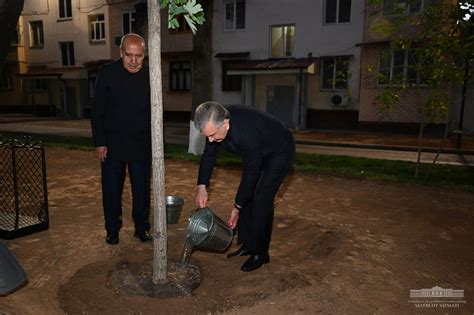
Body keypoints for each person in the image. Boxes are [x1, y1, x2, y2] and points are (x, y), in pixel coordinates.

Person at [194, 102, 295, 272]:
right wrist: (201, 186)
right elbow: (209, 156)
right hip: (259, 149)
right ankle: (249, 245)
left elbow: (250, 174)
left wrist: (237, 207)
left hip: (279, 151)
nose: (210, 140)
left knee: (261, 199)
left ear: (225, 123)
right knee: (248, 196)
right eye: (207, 136)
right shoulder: (216, 121)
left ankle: (261, 253)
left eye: (212, 135)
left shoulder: (244, 134)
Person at [91, 33, 152, 245]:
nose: (134, 61)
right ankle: (112, 229)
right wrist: (100, 142)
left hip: (141, 145)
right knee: (111, 191)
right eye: (129, 55)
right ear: (121, 53)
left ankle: (142, 227)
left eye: (139, 56)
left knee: (142, 190)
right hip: (112, 145)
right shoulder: (107, 73)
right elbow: (97, 110)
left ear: (144, 55)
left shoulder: (150, 74)